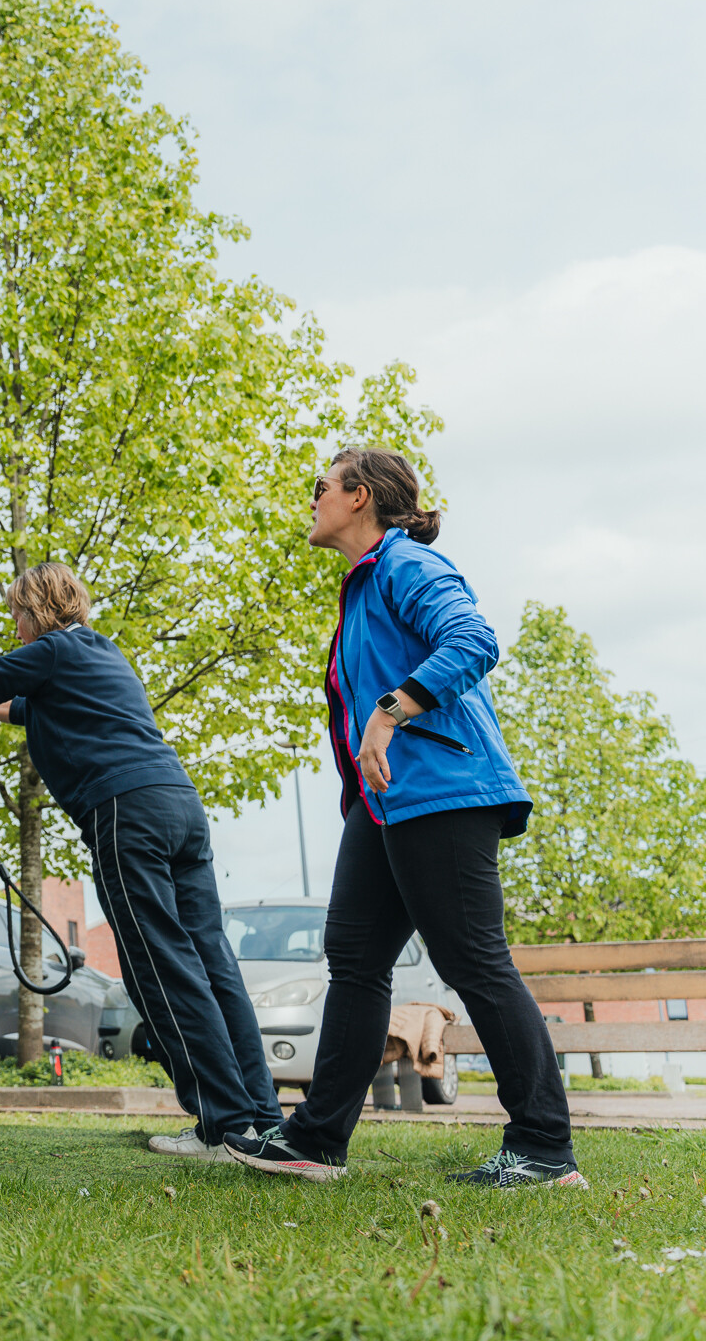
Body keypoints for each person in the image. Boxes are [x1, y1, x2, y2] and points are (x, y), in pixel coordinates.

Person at [224, 448, 581, 1188]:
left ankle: (544, 1148)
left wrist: (392, 711)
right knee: (353, 959)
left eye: (320, 486)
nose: (312, 498)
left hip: (443, 790)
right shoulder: (362, 589)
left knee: (474, 962)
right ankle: (316, 1142)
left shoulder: (406, 566)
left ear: (358, 497)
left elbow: (474, 641)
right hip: (385, 805)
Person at [0, 561, 285, 1159]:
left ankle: (224, 1124)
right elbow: (11, 706)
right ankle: (260, 1116)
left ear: (36, 609)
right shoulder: (98, 653)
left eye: (17, 611)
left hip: (126, 812)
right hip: (179, 810)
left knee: (161, 969)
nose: (13, 623)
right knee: (211, 961)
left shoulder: (50, 650)